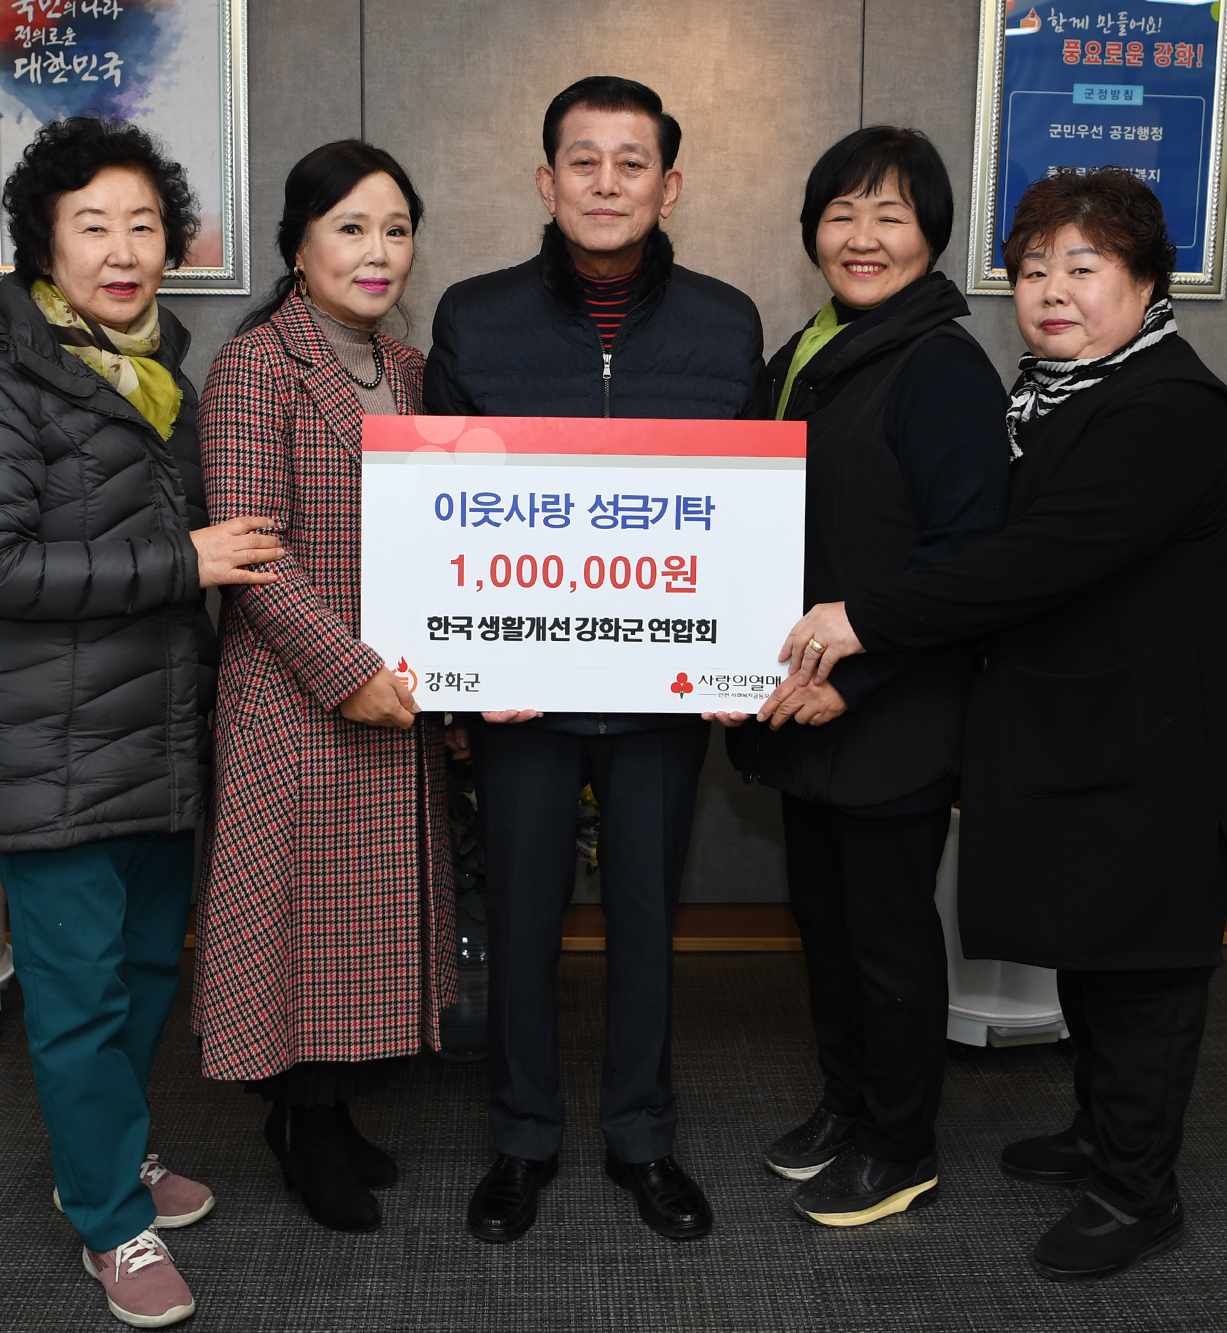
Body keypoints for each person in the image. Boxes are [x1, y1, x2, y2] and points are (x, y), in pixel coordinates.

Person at [774, 167, 1227, 1281]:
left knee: (1144, 972)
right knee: (1092, 955)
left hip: (1168, 754)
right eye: (1030, 270)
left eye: (1083, 267)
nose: (1052, 291)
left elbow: (1028, 562)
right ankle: (1100, 1134)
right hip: (1088, 738)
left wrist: (862, 620)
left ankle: (1137, 1191)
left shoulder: (1170, 407)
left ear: (1147, 283)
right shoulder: (1051, 398)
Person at [0, 117, 287, 1329]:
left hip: (154, 734)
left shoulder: (158, 367)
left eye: (143, 226)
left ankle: (111, 1154)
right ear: (43, 243)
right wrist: (182, 560)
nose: (123, 250)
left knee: (138, 975)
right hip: (48, 749)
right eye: (94, 227)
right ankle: (107, 1223)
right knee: (77, 996)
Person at [425, 76, 765, 1244]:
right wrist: (459, 681)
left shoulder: (726, 322)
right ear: (545, 180)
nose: (607, 183)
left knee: (646, 919)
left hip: (662, 690)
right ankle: (521, 1140)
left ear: (669, 185)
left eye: (632, 163)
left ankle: (641, 1138)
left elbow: (744, 513)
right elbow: (441, 509)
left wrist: (733, 655)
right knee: (521, 916)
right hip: (520, 691)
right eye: (584, 160)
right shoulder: (474, 317)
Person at [707, 127, 1008, 1228]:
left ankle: (900, 1142)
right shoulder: (809, 352)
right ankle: (848, 1104)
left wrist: (858, 680)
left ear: (932, 235)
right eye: (841, 213)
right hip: (804, 709)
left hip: (887, 711)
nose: (862, 236)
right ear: (811, 231)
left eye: (891, 215)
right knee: (827, 931)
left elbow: (968, 558)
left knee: (886, 944)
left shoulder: (941, 366)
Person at [191, 140, 455, 1236]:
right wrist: (348, 675)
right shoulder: (256, 366)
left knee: (363, 935)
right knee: (299, 932)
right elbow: (254, 556)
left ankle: (332, 1116)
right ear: (298, 246)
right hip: (295, 700)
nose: (377, 250)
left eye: (396, 228)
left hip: (396, 698)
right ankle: (300, 1127)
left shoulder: (413, 371)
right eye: (350, 227)